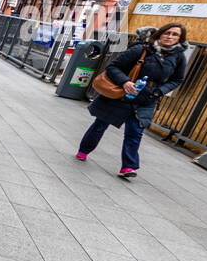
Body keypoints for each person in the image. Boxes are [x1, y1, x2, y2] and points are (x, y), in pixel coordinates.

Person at [76, 23, 188, 178]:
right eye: (167, 33)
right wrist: (125, 82)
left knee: (135, 132)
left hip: (148, 97)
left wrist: (159, 91)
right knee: (100, 124)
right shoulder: (141, 49)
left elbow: (177, 79)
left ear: (180, 39)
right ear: (160, 34)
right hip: (122, 94)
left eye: (175, 35)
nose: (170, 37)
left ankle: (128, 167)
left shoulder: (179, 57)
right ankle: (84, 150)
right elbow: (113, 67)